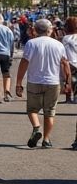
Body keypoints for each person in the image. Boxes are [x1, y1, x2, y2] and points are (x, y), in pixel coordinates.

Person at [15, 18, 71, 149]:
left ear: (35, 30)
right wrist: (67, 81)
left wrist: (18, 82)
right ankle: (46, 139)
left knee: (32, 109)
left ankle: (36, 127)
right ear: (50, 30)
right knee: (50, 111)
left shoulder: (31, 43)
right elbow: (65, 63)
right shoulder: (58, 45)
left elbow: (24, 62)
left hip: (35, 81)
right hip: (53, 82)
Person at [63, 17, 77, 105]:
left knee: (70, 80)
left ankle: (68, 98)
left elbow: (64, 51)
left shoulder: (66, 38)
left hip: (71, 62)